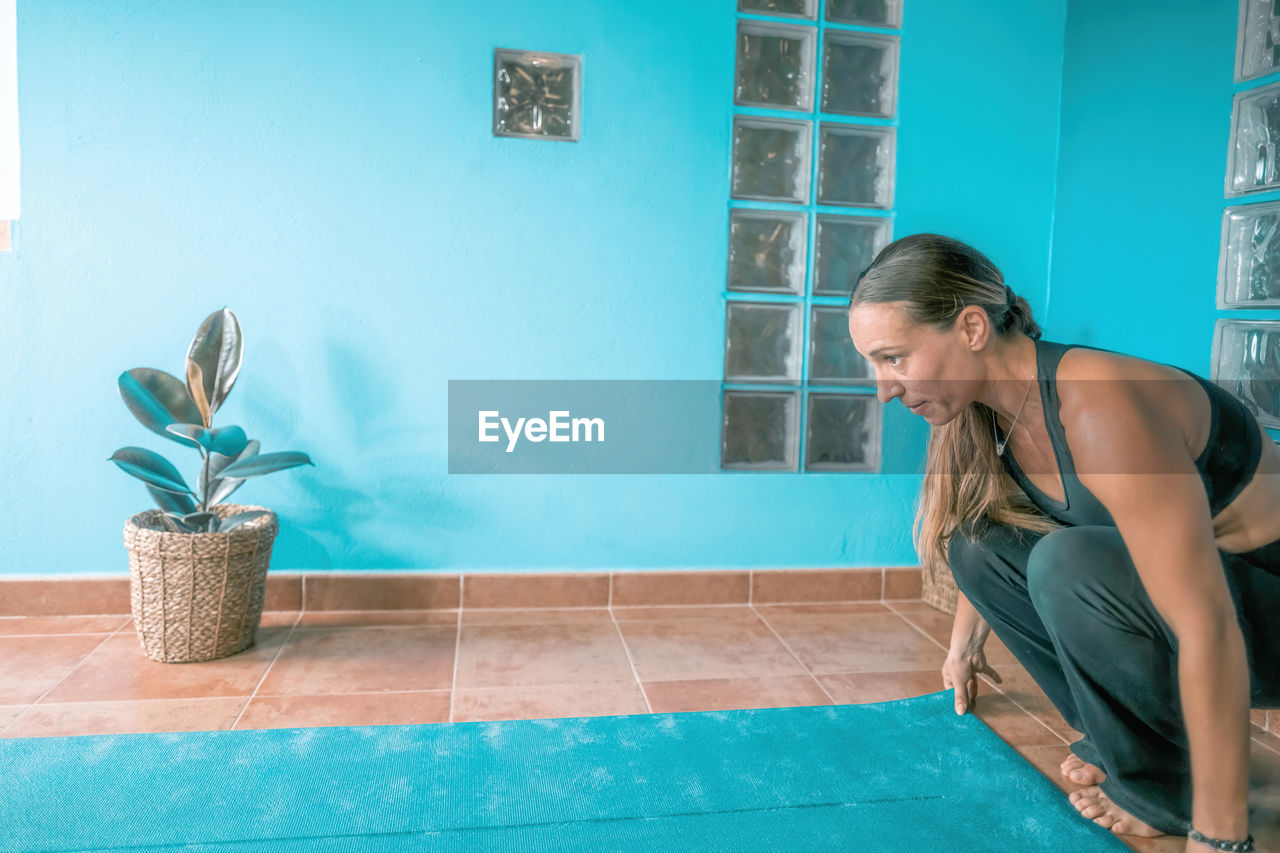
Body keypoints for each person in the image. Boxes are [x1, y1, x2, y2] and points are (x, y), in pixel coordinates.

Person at [846, 233, 1280, 853]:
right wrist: (963, 648)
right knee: (979, 545)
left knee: (1068, 560)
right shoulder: (995, 408)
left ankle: (1170, 793)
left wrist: (1221, 838)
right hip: (1229, 601)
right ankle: (1134, 753)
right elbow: (993, 536)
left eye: (894, 358)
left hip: (1260, 602)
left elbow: (1208, 624)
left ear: (971, 328)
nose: (884, 387)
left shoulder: (1101, 408)